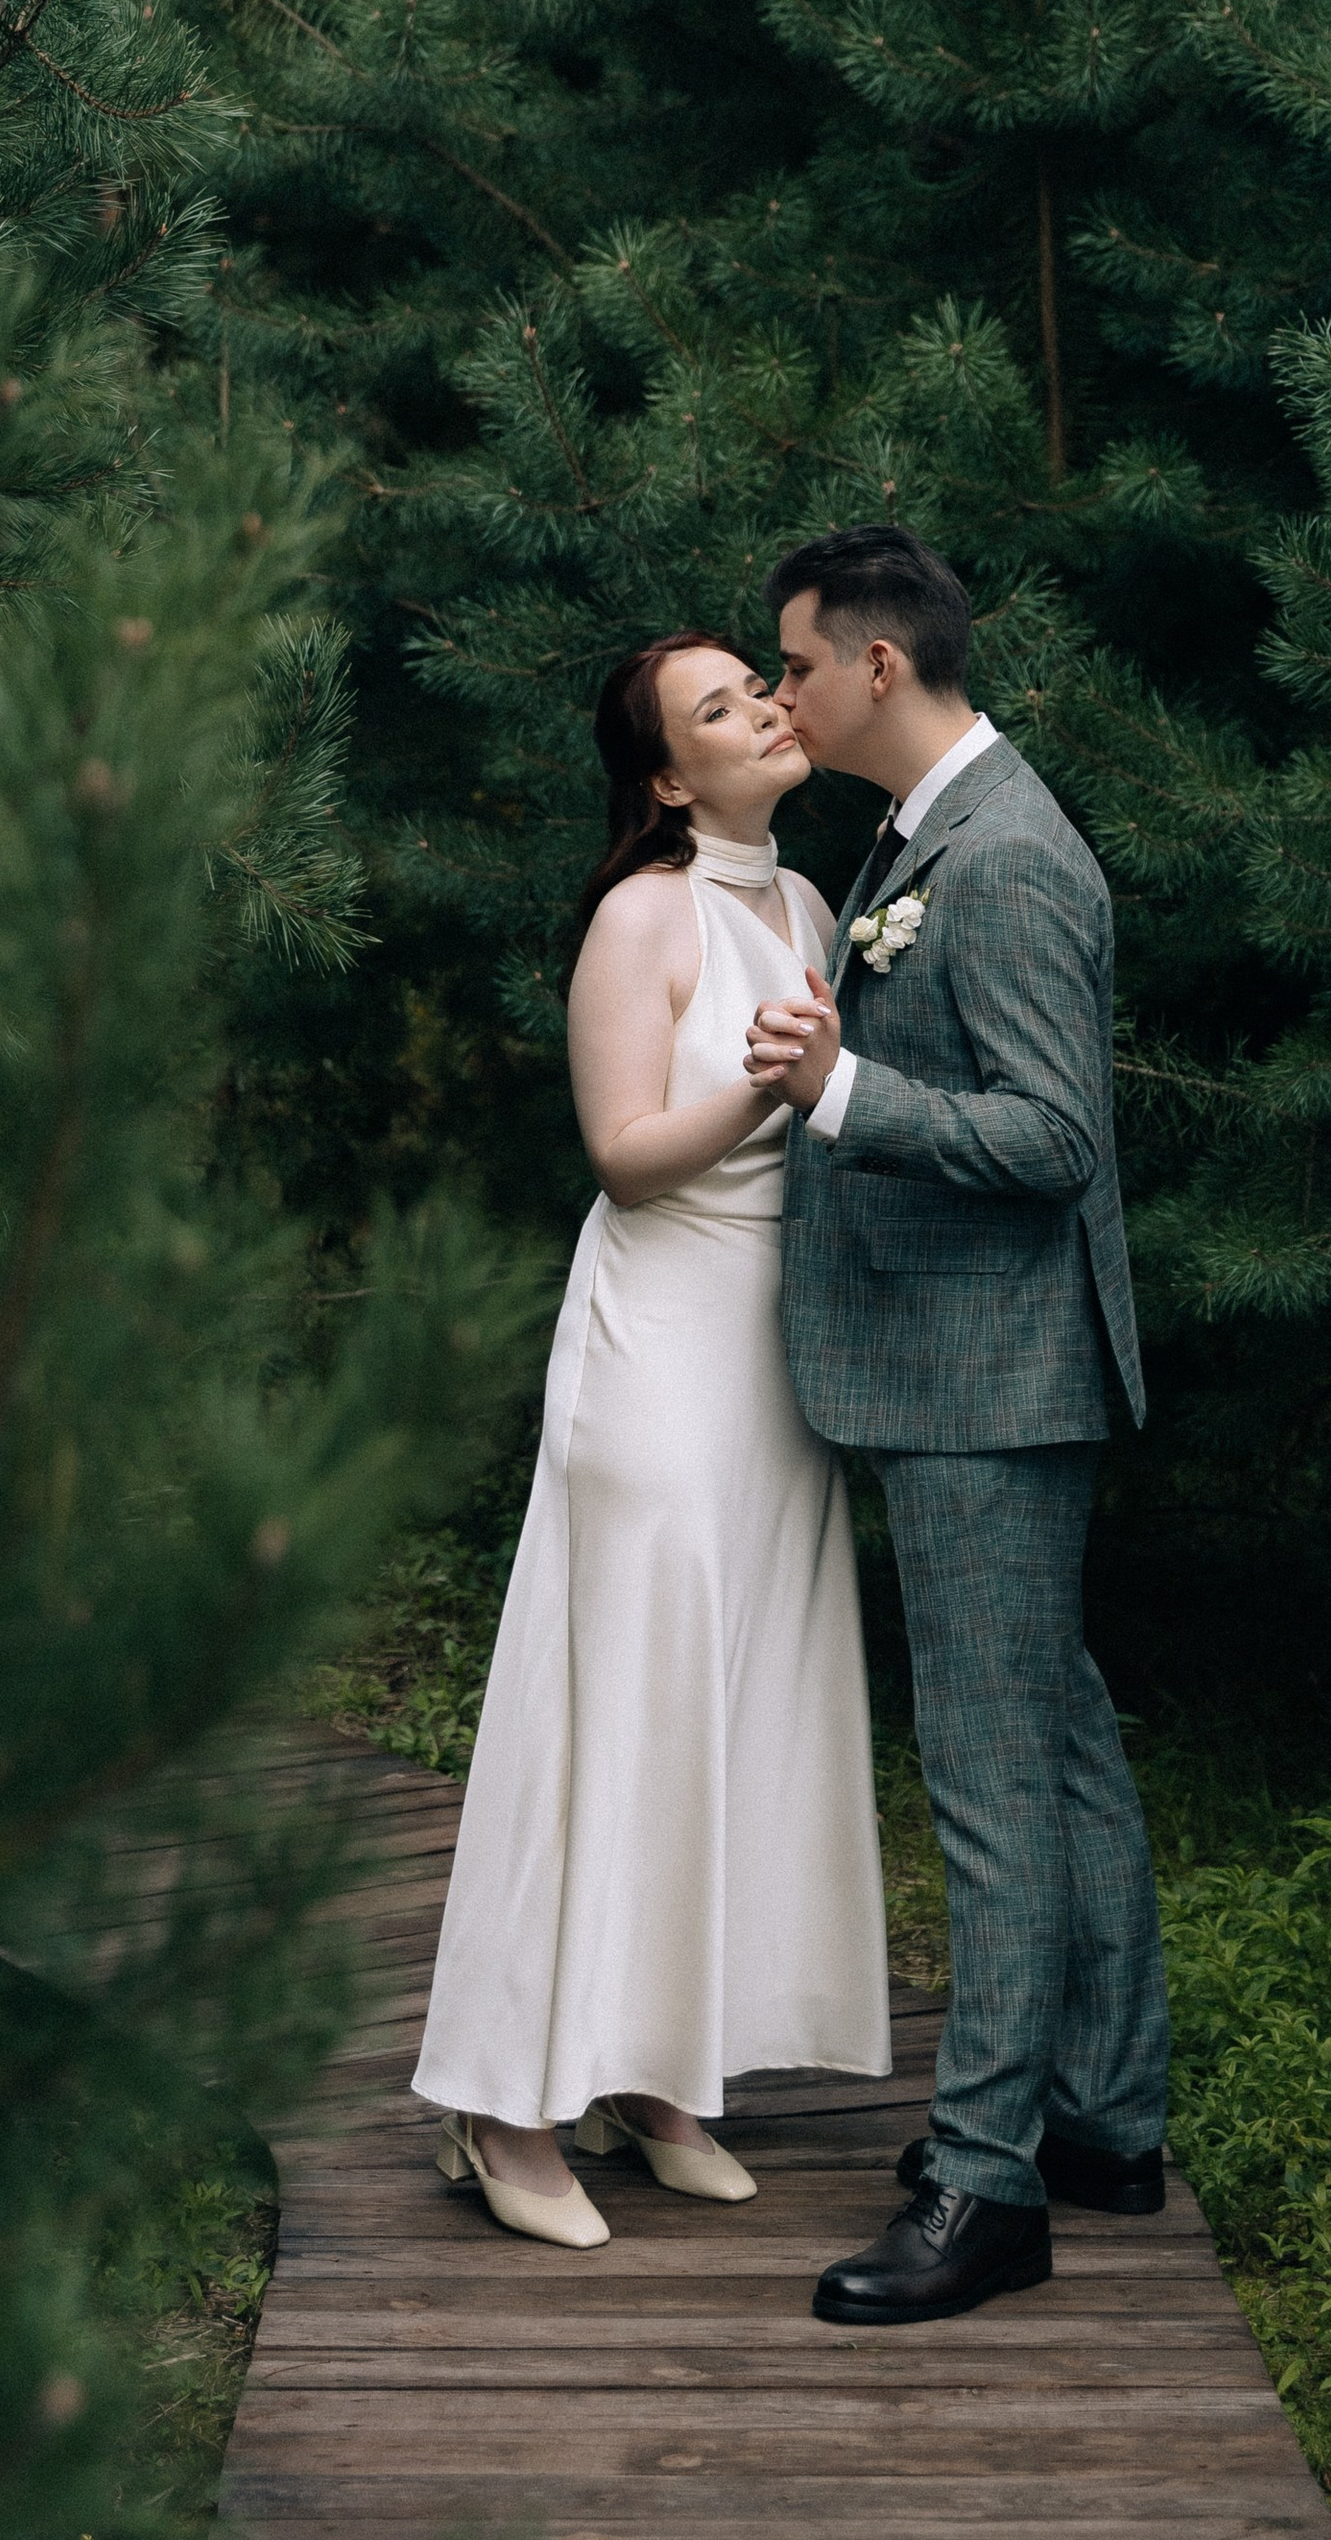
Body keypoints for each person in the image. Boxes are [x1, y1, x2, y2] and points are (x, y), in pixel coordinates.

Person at [411, 631, 892, 2248]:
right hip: (660, 1354)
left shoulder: (813, 904)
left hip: (776, 1360)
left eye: (759, 681)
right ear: (670, 780)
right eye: (715, 707)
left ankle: (654, 2075)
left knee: (734, 1709)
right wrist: (781, 1092)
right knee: (612, 1713)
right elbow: (623, 1156)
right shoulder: (644, 913)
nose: (761, 702)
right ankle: (499, 2106)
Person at [743, 524, 1170, 2329]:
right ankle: (1100, 2117)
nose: (782, 695)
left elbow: (1053, 1140)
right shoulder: (931, 833)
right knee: (1056, 1745)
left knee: (990, 1786)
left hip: (990, 1386)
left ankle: (986, 2187)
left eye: (797, 666)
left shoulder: (1002, 865)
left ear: (881, 670)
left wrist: (845, 1092)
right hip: (980, 1369)